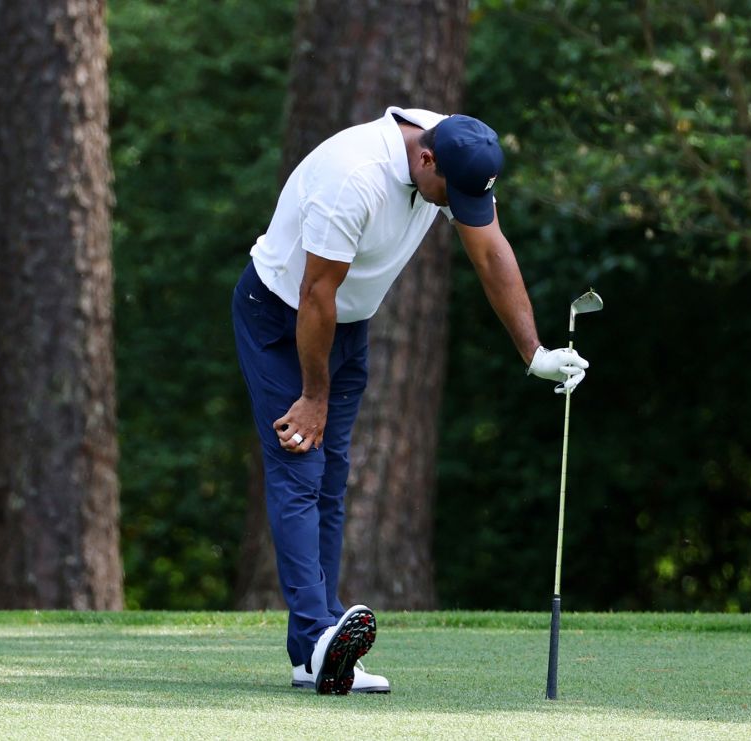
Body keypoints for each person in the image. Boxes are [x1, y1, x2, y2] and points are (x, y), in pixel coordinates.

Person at [231, 107, 590, 694]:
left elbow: (490, 249)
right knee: (299, 464)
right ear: (426, 160)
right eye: (451, 195)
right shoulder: (354, 178)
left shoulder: (454, 149)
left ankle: (312, 654)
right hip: (282, 316)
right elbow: (315, 294)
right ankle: (321, 635)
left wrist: (534, 352)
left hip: (345, 324)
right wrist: (312, 395)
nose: (457, 209)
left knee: (331, 478)